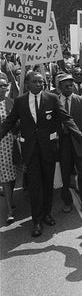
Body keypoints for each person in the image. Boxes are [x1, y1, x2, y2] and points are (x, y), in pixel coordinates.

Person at [0, 72, 82, 237]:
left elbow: (66, 119)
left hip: (49, 149)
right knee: (35, 185)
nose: (39, 84)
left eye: (42, 82)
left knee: (48, 183)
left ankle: (47, 213)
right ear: (27, 84)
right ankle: (37, 221)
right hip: (30, 150)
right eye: (35, 82)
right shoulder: (20, 101)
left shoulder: (52, 99)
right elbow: (9, 122)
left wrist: (81, 138)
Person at [57, 74, 82, 216]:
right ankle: (67, 202)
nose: (69, 88)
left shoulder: (81, 100)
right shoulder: (53, 101)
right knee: (65, 175)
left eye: (71, 85)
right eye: (66, 86)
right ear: (59, 86)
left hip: (80, 143)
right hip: (62, 143)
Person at [0, 74, 16, 224]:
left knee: (13, 175)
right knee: (5, 176)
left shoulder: (10, 102)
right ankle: (10, 209)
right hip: (1, 145)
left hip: (12, 143)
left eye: (5, 85)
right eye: (1, 86)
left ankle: (10, 196)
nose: (4, 88)